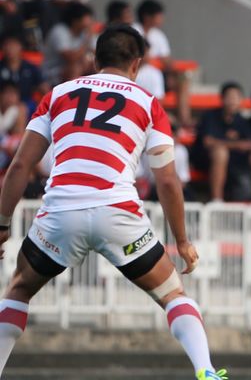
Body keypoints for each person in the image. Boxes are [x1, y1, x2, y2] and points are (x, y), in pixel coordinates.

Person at [0, 24, 227, 379]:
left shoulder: (58, 93)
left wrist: (1, 225)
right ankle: (206, 370)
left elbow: (20, 166)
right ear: (137, 64)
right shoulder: (148, 103)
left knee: (19, 289)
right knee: (173, 294)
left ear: (93, 59)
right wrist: (181, 241)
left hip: (61, 212)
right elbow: (166, 179)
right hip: (117, 211)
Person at [191, 82, 251, 202]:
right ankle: (217, 200)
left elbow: (249, 143)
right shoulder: (210, 116)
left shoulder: (242, 121)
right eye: (229, 97)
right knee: (221, 153)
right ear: (222, 99)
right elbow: (208, 142)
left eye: (236, 97)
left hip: (233, 162)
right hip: (205, 159)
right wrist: (236, 145)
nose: (233, 101)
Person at [41, 1, 93, 85]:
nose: (90, 21)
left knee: (94, 64)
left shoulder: (83, 32)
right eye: (87, 18)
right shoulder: (59, 31)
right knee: (75, 68)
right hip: (52, 72)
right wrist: (87, 41)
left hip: (74, 68)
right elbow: (71, 58)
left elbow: (94, 52)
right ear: (76, 20)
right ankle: (72, 95)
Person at [0, 32, 45, 109]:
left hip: (26, 105)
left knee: (21, 108)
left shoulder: (31, 67)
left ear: (20, 46)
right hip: (3, 106)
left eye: (13, 45)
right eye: (6, 45)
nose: (9, 48)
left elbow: (44, 89)